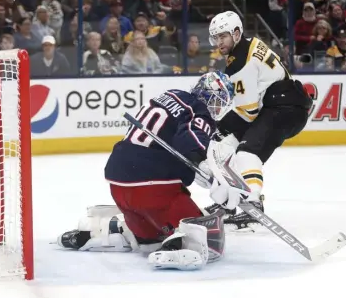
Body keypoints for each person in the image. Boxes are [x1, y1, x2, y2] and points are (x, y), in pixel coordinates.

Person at [57, 71, 235, 271]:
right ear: (211, 97)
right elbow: (190, 141)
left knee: (149, 241)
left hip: (118, 182)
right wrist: (203, 163)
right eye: (219, 102)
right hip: (153, 190)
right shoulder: (199, 110)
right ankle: (178, 245)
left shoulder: (169, 94)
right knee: (205, 233)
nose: (219, 108)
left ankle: (119, 234)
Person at [206, 11, 313, 231]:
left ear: (236, 33)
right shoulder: (249, 45)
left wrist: (220, 127)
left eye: (223, 36)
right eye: (216, 37)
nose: (219, 42)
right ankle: (229, 202)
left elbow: (247, 112)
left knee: (247, 153)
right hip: (284, 106)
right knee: (234, 151)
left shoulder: (239, 61)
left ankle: (253, 203)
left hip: (283, 108)